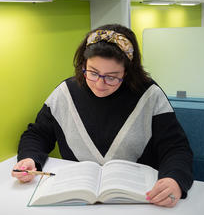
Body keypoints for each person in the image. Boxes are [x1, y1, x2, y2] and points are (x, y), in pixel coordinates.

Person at [12, 24, 193, 208]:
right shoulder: (65, 93)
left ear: (127, 72)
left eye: (112, 77)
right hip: (76, 201)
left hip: (138, 202)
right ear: (83, 64)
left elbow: (176, 148)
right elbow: (37, 135)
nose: (100, 84)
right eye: (93, 72)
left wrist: (174, 179)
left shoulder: (150, 95)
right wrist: (29, 158)